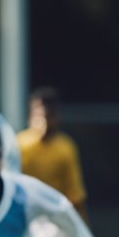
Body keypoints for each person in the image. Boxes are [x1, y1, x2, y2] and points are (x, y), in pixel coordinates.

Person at [17, 87, 89, 224]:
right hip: (24, 215)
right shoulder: (19, 145)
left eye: (48, 117)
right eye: (39, 117)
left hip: (55, 216)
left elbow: (75, 192)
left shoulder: (66, 147)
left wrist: (83, 227)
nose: (43, 123)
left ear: (56, 117)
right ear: (30, 116)